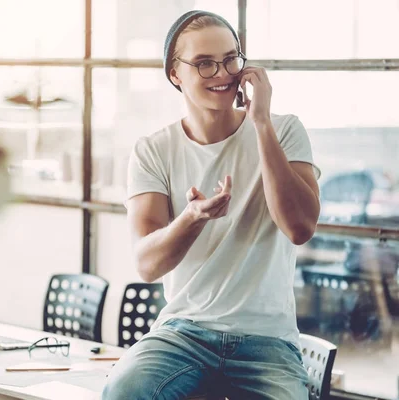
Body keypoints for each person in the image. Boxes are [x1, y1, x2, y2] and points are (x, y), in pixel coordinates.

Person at [103, 10, 321, 400]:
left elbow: (299, 228)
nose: (222, 73)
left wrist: (262, 124)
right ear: (175, 74)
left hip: (267, 341)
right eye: (204, 64)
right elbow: (148, 264)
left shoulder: (284, 130)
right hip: (182, 334)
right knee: (124, 391)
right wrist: (192, 218)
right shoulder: (154, 151)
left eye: (230, 59)